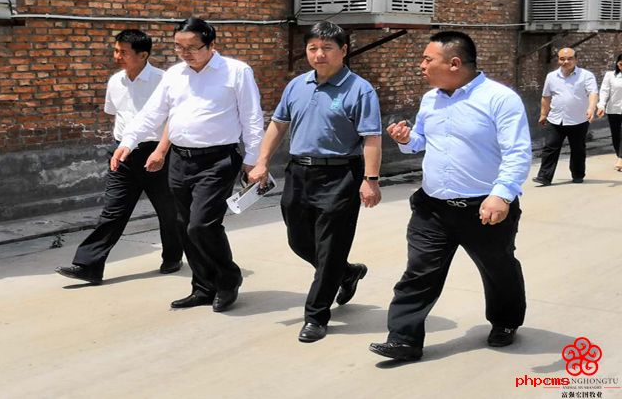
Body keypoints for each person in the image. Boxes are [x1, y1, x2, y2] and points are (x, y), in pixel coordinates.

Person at [370, 31, 532, 361]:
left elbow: (517, 152)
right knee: (419, 272)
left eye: (427, 59)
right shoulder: (431, 99)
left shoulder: (500, 99)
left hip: (484, 208)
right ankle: (403, 339)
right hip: (433, 209)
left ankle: (505, 321)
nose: (421, 65)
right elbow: (421, 141)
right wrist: (406, 139)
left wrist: (501, 195)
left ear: (454, 63)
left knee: (498, 269)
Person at [112, 17, 264, 313]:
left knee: (202, 224)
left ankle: (228, 280)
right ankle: (203, 287)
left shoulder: (236, 71)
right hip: (180, 159)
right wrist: (128, 141)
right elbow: (152, 113)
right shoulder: (174, 75)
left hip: (218, 159)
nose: (185, 53)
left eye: (192, 47)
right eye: (179, 47)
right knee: (183, 225)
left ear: (211, 45)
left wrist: (252, 160)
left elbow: (252, 118)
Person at [248, 21, 381, 343]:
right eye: (313, 48)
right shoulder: (297, 85)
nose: (319, 55)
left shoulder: (360, 89)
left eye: (327, 48)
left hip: (340, 175)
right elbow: (278, 125)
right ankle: (347, 273)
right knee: (299, 240)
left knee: (331, 248)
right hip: (299, 172)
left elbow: (371, 138)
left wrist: (370, 180)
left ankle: (316, 316)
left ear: (343, 50)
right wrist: (262, 162)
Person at [55, 30, 183, 284]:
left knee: (168, 211)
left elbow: (174, 119)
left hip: (157, 153)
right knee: (112, 211)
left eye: (123, 52)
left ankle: (172, 256)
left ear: (143, 55)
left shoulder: (164, 80)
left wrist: (161, 151)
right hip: (123, 154)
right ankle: (88, 266)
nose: (117, 56)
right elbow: (116, 114)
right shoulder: (115, 81)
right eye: (116, 50)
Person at [532, 48, 598, 185]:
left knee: (578, 149)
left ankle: (578, 175)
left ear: (576, 59)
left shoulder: (586, 76)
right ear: (558, 60)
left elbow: (593, 93)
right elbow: (546, 96)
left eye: (569, 58)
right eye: (562, 59)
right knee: (550, 147)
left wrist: (591, 108)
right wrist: (543, 114)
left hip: (578, 119)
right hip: (556, 119)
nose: (566, 61)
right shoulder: (551, 76)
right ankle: (544, 177)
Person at [596, 53, 622, 171]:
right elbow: (604, 91)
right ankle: (619, 155)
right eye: (621, 64)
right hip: (613, 110)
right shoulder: (610, 75)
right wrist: (601, 105)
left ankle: (621, 159)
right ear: (617, 64)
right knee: (616, 136)